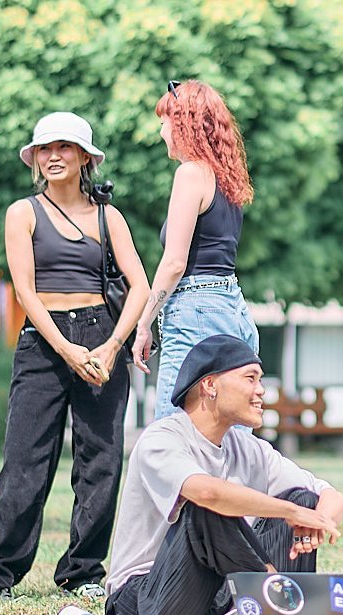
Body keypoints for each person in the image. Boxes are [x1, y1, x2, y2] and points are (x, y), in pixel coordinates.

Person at [0, 113, 151, 603]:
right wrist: (66, 349)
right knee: (25, 459)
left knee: (100, 460)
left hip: (102, 337)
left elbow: (141, 287)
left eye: (65, 147)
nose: (54, 157)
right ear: (35, 159)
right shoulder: (22, 213)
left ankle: (84, 571)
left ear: (85, 157)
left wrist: (110, 347)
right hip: (44, 342)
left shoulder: (110, 217)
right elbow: (25, 290)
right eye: (45, 149)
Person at [103, 335, 343, 615]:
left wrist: (317, 519)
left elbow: (331, 495)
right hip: (145, 599)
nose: (261, 390)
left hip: (212, 595)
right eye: (250, 378)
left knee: (303, 499)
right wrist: (292, 514)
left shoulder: (248, 447)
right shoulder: (162, 438)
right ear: (210, 385)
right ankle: (277, 597)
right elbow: (206, 493)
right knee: (207, 507)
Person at [131, 80, 259, 423]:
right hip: (233, 308)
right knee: (228, 437)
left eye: (164, 122)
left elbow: (174, 262)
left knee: (173, 433)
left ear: (183, 124)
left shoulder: (190, 174)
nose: (161, 132)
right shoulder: (227, 180)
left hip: (195, 311)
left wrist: (144, 323)